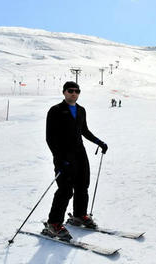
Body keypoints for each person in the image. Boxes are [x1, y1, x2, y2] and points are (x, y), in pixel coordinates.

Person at [44, 81, 108, 240]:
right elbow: (50, 137)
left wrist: (99, 142)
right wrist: (59, 158)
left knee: (82, 185)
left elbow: (84, 131)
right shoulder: (56, 110)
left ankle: (79, 215)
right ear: (64, 92)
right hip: (64, 156)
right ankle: (54, 224)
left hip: (80, 154)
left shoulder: (81, 110)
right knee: (65, 190)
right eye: (71, 90)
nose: (74, 93)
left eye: (77, 91)